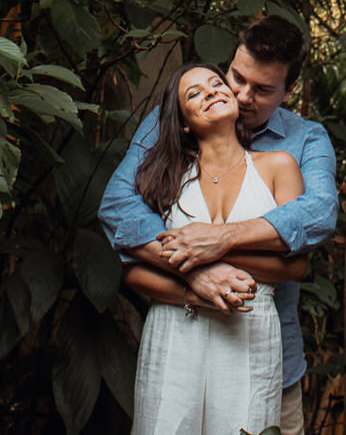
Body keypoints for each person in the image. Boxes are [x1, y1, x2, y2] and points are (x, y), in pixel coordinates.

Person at [100, 16, 338, 435]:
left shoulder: (303, 141)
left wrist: (219, 239)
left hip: (267, 355)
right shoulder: (171, 122)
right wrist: (194, 269)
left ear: (290, 90)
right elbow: (119, 207)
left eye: (263, 90)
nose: (242, 96)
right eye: (236, 77)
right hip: (179, 342)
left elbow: (317, 214)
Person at [120, 63, 306, 433]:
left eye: (217, 83)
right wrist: (192, 287)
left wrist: (209, 249)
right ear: (184, 122)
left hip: (249, 329)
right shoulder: (163, 176)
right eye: (194, 94)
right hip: (175, 327)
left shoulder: (278, 166)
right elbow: (132, 270)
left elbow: (296, 266)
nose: (212, 92)